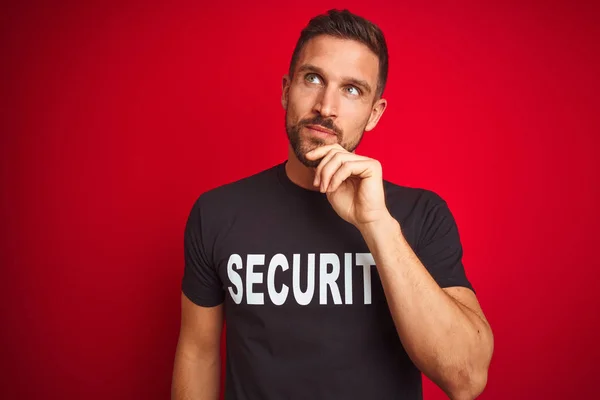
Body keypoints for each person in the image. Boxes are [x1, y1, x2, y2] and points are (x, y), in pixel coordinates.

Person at [171, 8, 494, 400]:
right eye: (313, 79)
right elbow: (198, 353)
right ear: (286, 89)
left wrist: (376, 224)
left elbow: (467, 378)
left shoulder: (422, 215)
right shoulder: (217, 212)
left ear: (374, 113)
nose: (326, 106)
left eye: (352, 89)